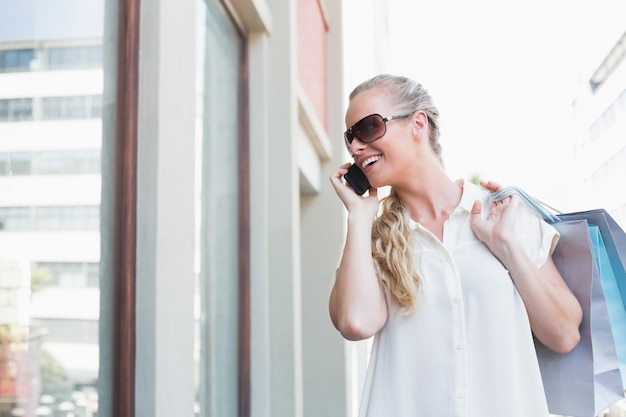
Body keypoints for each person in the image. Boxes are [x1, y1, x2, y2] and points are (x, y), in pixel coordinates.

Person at [328, 74, 582, 417]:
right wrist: (359, 216)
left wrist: (507, 247)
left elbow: (565, 333)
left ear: (418, 124)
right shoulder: (370, 241)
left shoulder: (503, 214)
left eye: (368, 128)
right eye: (350, 137)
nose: (356, 147)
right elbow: (355, 323)